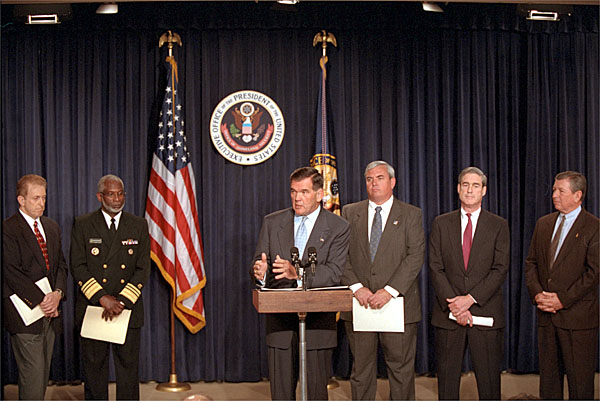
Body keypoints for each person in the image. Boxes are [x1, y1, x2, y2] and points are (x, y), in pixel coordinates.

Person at [251, 166, 350, 400]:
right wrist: (260, 271)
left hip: (318, 323)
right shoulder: (273, 222)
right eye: (293, 192)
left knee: (316, 391)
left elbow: (335, 273)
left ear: (319, 194)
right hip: (280, 323)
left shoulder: (338, 227)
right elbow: (259, 260)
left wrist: (297, 273)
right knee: (281, 393)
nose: (297, 198)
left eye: (304, 192)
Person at [340, 160, 425, 400]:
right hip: (361, 304)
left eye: (379, 178)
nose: (373, 183)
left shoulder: (411, 214)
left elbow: (415, 255)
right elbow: (340, 255)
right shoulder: (349, 212)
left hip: (397, 305)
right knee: (361, 370)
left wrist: (389, 291)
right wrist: (357, 288)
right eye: (369, 179)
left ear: (392, 182)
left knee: (400, 370)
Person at [429, 166, 509, 400]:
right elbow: (435, 266)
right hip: (448, 314)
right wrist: (456, 305)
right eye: (465, 185)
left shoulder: (498, 225)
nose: (470, 190)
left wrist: (470, 300)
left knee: (489, 383)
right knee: (447, 383)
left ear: (484, 191)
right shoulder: (441, 223)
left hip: (484, 313)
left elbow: (500, 268)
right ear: (458, 189)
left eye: (475, 185)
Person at [70, 174, 150, 400]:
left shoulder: (138, 224)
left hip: (127, 309)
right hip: (95, 308)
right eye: (111, 194)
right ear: (99, 196)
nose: (117, 199)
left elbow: (143, 268)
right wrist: (103, 299)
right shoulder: (83, 224)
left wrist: (121, 302)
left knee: (128, 371)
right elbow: (78, 265)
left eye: (120, 194)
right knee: (94, 370)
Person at [525, 171, 598, 400]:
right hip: (547, 318)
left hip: (578, 320)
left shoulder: (594, 227)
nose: (554, 195)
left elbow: (593, 273)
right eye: (554, 190)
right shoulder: (544, 224)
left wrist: (562, 300)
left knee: (580, 384)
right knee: (549, 384)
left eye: (560, 191)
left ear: (578, 195)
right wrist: (538, 295)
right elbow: (531, 264)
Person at [3, 174, 67, 400]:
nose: (41, 203)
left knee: (42, 373)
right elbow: (11, 272)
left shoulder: (51, 226)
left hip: (50, 311)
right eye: (35, 198)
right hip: (24, 312)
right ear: (21, 200)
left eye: (44, 198)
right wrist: (43, 299)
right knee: (33, 373)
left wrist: (57, 295)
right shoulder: (8, 229)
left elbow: (61, 265)